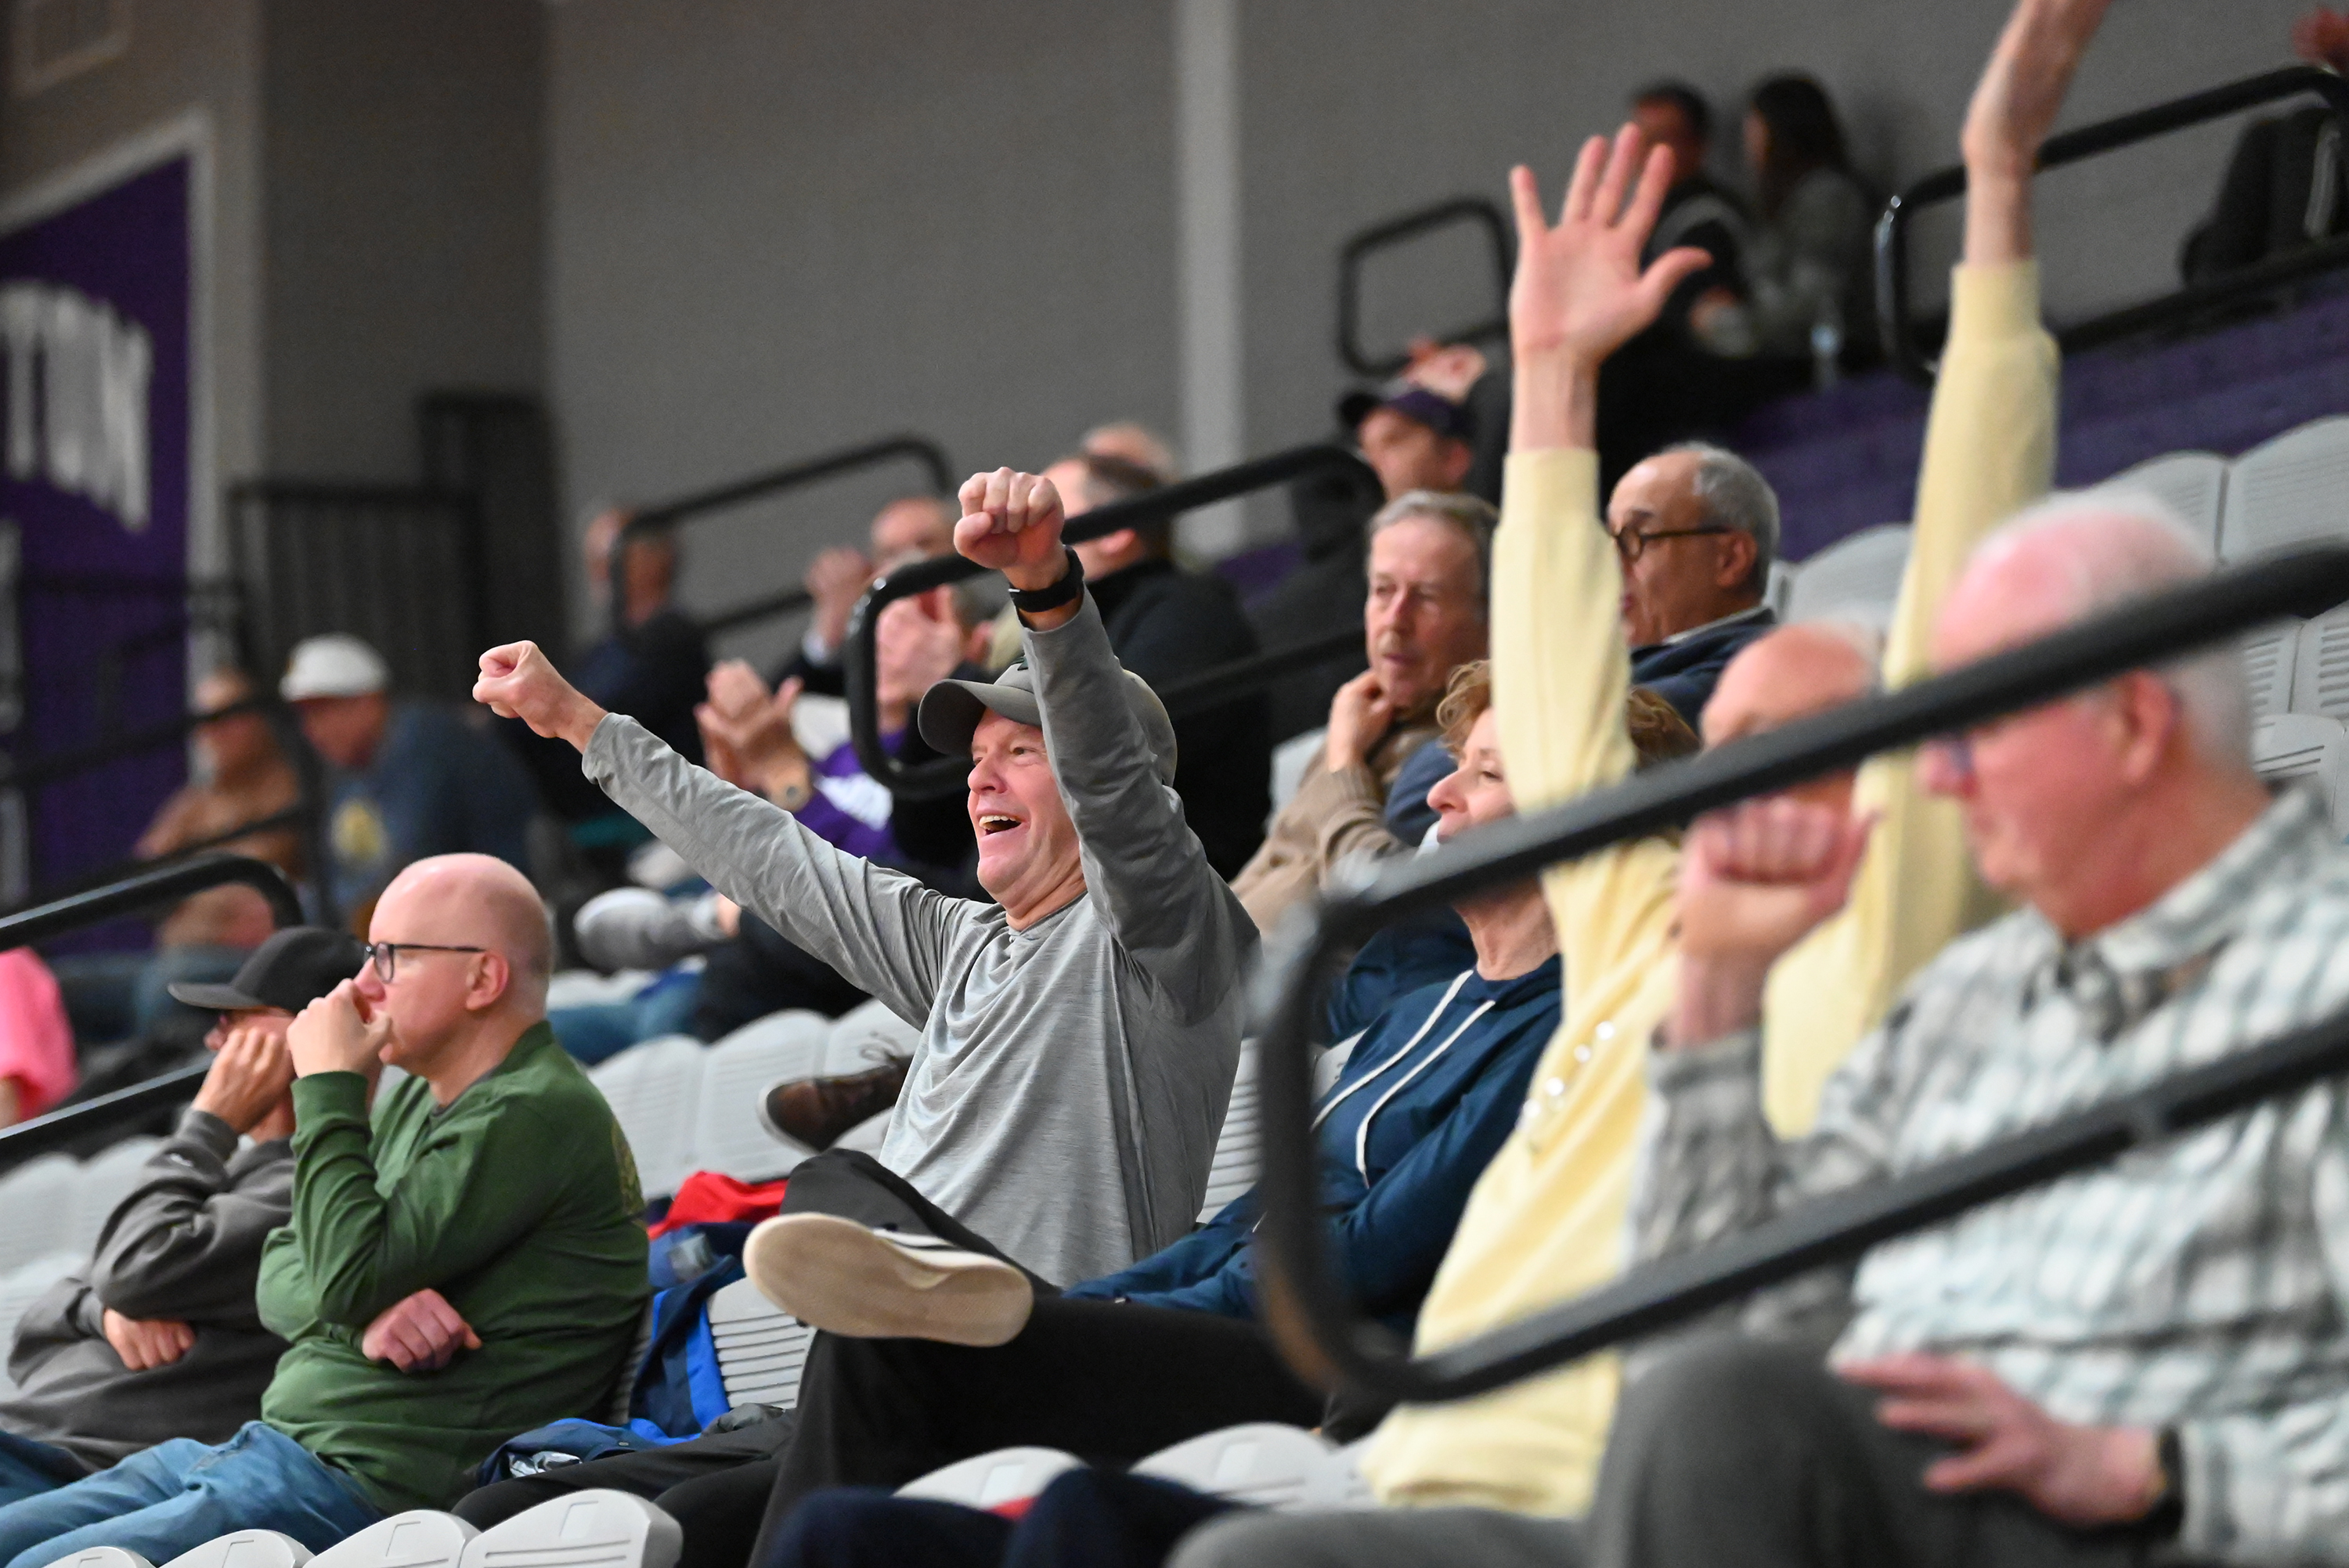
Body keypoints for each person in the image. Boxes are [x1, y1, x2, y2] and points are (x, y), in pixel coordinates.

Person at [476, 463, 1257, 1287]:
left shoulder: (1168, 928)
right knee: (822, 1207)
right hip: (907, 1361)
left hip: (1062, 1343)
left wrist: (1043, 586)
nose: (980, 777)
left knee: (833, 1197)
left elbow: (1110, 778)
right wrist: (582, 724)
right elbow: (775, 861)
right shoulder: (960, 942)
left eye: (1022, 751)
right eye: (978, 755)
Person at [0, 853, 647, 1567]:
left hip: (358, 1489)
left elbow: (338, 1275)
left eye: (392, 957)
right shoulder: (415, 1094)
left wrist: (331, 1083)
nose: (364, 984)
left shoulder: (532, 1111)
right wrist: (366, 1312)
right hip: (265, 1452)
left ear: (483, 978)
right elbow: (281, 1267)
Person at [0, 927, 366, 1503]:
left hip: (77, 1472)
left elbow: (133, 1268)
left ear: (318, 1033)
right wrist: (102, 1309)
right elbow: (32, 1330)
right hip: (27, 1444)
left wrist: (208, 1122)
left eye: (238, 1020)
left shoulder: (312, 1187)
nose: (216, 1040)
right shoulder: (222, 1173)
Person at [1232, 490, 1492, 933]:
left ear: (1490, 616)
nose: (1395, 619)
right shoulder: (1363, 718)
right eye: (1383, 591)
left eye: (1426, 596)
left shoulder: (1479, 755)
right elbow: (1266, 869)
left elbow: (1372, 905)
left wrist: (1345, 764)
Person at [1036, 448, 1272, 878]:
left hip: (1170, 891)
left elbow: (1111, 765)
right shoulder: (1069, 622)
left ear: (1116, 531)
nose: (1026, 533)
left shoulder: (1190, 616)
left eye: (1047, 515)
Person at [52, 669, 305, 1051]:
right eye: (204, 721)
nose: (213, 732)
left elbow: (234, 889)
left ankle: (147, 1096)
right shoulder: (196, 800)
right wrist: (182, 892)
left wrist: (186, 894)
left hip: (238, 961)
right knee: (54, 988)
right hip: (167, 958)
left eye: (227, 718)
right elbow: (143, 884)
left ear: (256, 720)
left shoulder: (282, 788)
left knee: (162, 990)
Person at [1256, 352, 1485, 741]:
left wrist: (1481, 385)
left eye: (1394, 442)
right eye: (1365, 447)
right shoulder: (1346, 546)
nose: (1372, 463)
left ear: (1454, 458)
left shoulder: (1494, 541)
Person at [281, 634, 539, 927]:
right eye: (304, 717)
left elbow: (410, 864)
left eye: (323, 711)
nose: (311, 730)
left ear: (368, 700)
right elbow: (339, 871)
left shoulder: (422, 744)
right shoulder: (354, 769)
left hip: (493, 915)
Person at [507, 508, 713, 824]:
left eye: (608, 560)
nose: (598, 574)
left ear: (652, 563)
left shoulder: (671, 640)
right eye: (592, 562)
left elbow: (611, 721)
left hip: (639, 816)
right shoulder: (605, 648)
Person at [1694, 74, 1875, 376]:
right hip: (1787, 356)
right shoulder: (1787, 201)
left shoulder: (1828, 198)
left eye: (1755, 130)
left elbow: (1808, 305)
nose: (1748, 144)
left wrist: (1723, 322)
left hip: (1812, 367)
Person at [788, 496, 960, 698]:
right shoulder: (867, 658)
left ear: (957, 548)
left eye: (925, 544)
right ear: (874, 569)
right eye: (891, 553)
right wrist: (832, 634)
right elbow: (789, 702)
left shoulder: (994, 630)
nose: (910, 563)